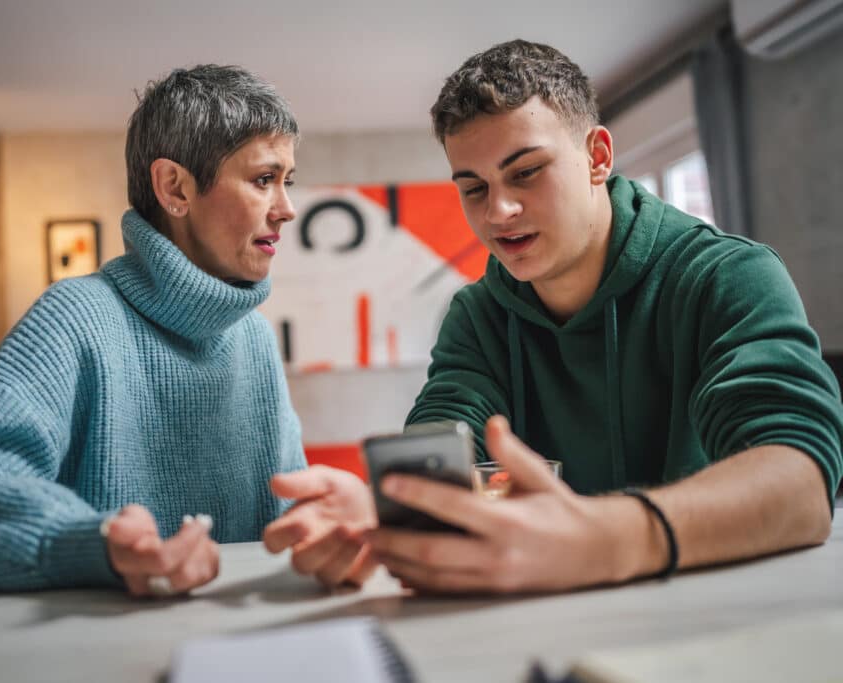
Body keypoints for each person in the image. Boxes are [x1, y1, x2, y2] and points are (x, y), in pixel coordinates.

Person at [265, 40, 843, 593]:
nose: (500, 211)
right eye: (474, 188)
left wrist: (611, 538)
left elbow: (800, 485)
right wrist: (388, 504)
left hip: (714, 613)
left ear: (597, 157)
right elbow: (444, 433)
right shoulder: (477, 314)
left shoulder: (726, 276)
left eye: (525, 172)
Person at [0, 64, 306, 596]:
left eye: (288, 182)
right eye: (265, 180)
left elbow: (287, 525)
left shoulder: (255, 339)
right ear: (175, 187)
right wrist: (92, 543)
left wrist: (322, 532)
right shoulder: (75, 318)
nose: (287, 209)